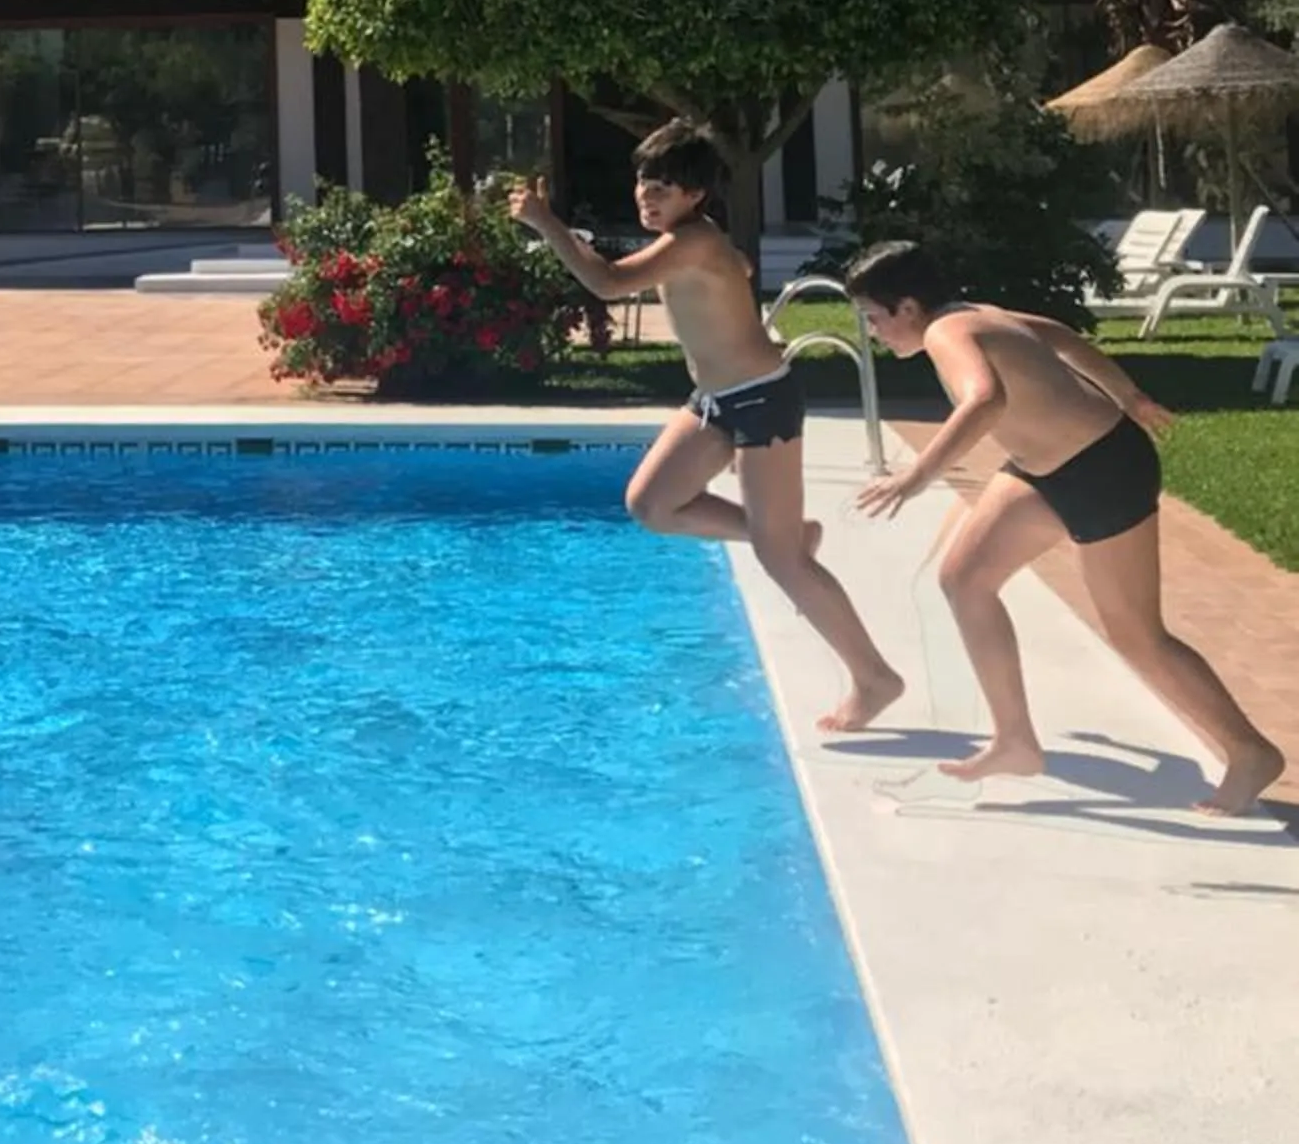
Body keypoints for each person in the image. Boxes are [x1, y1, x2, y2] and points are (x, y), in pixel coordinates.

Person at [846, 238, 1284, 817]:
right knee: (965, 579)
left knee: (1138, 636)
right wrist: (1128, 394)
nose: (874, 332)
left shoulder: (945, 333)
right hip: (1045, 471)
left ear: (906, 307)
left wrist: (915, 475)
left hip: (1102, 470)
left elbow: (984, 400)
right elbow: (1057, 334)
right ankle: (1015, 742)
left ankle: (1251, 752)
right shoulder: (975, 314)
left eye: (874, 319)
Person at [508, 124, 904, 734]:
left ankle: (875, 677)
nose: (646, 194)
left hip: (761, 403)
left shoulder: (689, 242)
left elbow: (608, 282)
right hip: (716, 401)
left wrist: (545, 222)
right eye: (642, 181)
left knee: (783, 563)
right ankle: (790, 533)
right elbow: (737, 267)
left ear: (694, 194)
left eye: (661, 187)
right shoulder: (694, 239)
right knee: (652, 503)